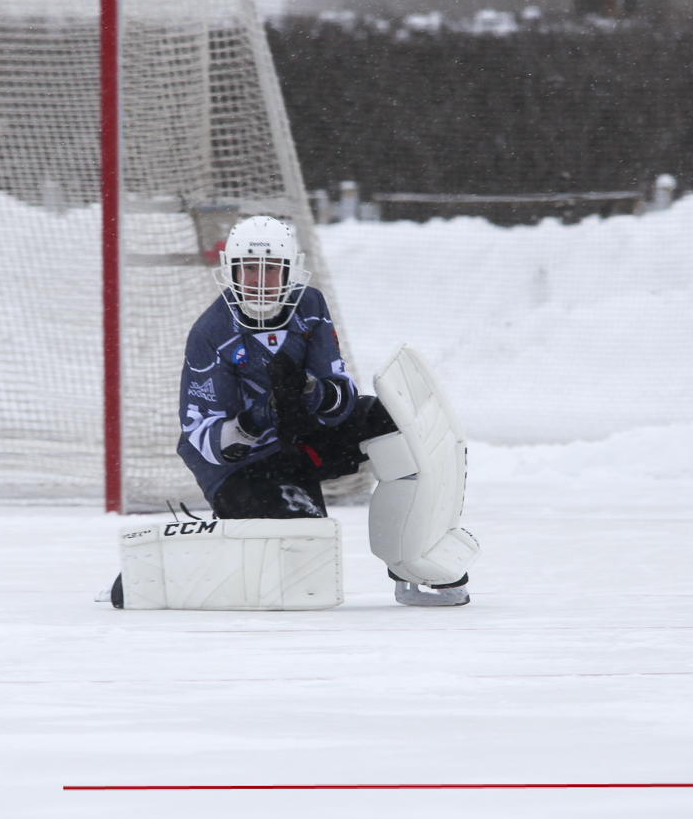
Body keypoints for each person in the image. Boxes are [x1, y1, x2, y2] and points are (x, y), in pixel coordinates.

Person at [173, 215, 471, 607]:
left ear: (289, 271)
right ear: (232, 270)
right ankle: (209, 552)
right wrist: (260, 416)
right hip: (245, 466)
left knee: (393, 424)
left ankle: (413, 561)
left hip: (302, 437)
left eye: (271, 269)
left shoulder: (309, 305)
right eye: (249, 268)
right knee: (306, 559)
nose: (259, 281)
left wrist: (312, 394)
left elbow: (341, 393)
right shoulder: (210, 333)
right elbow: (209, 441)